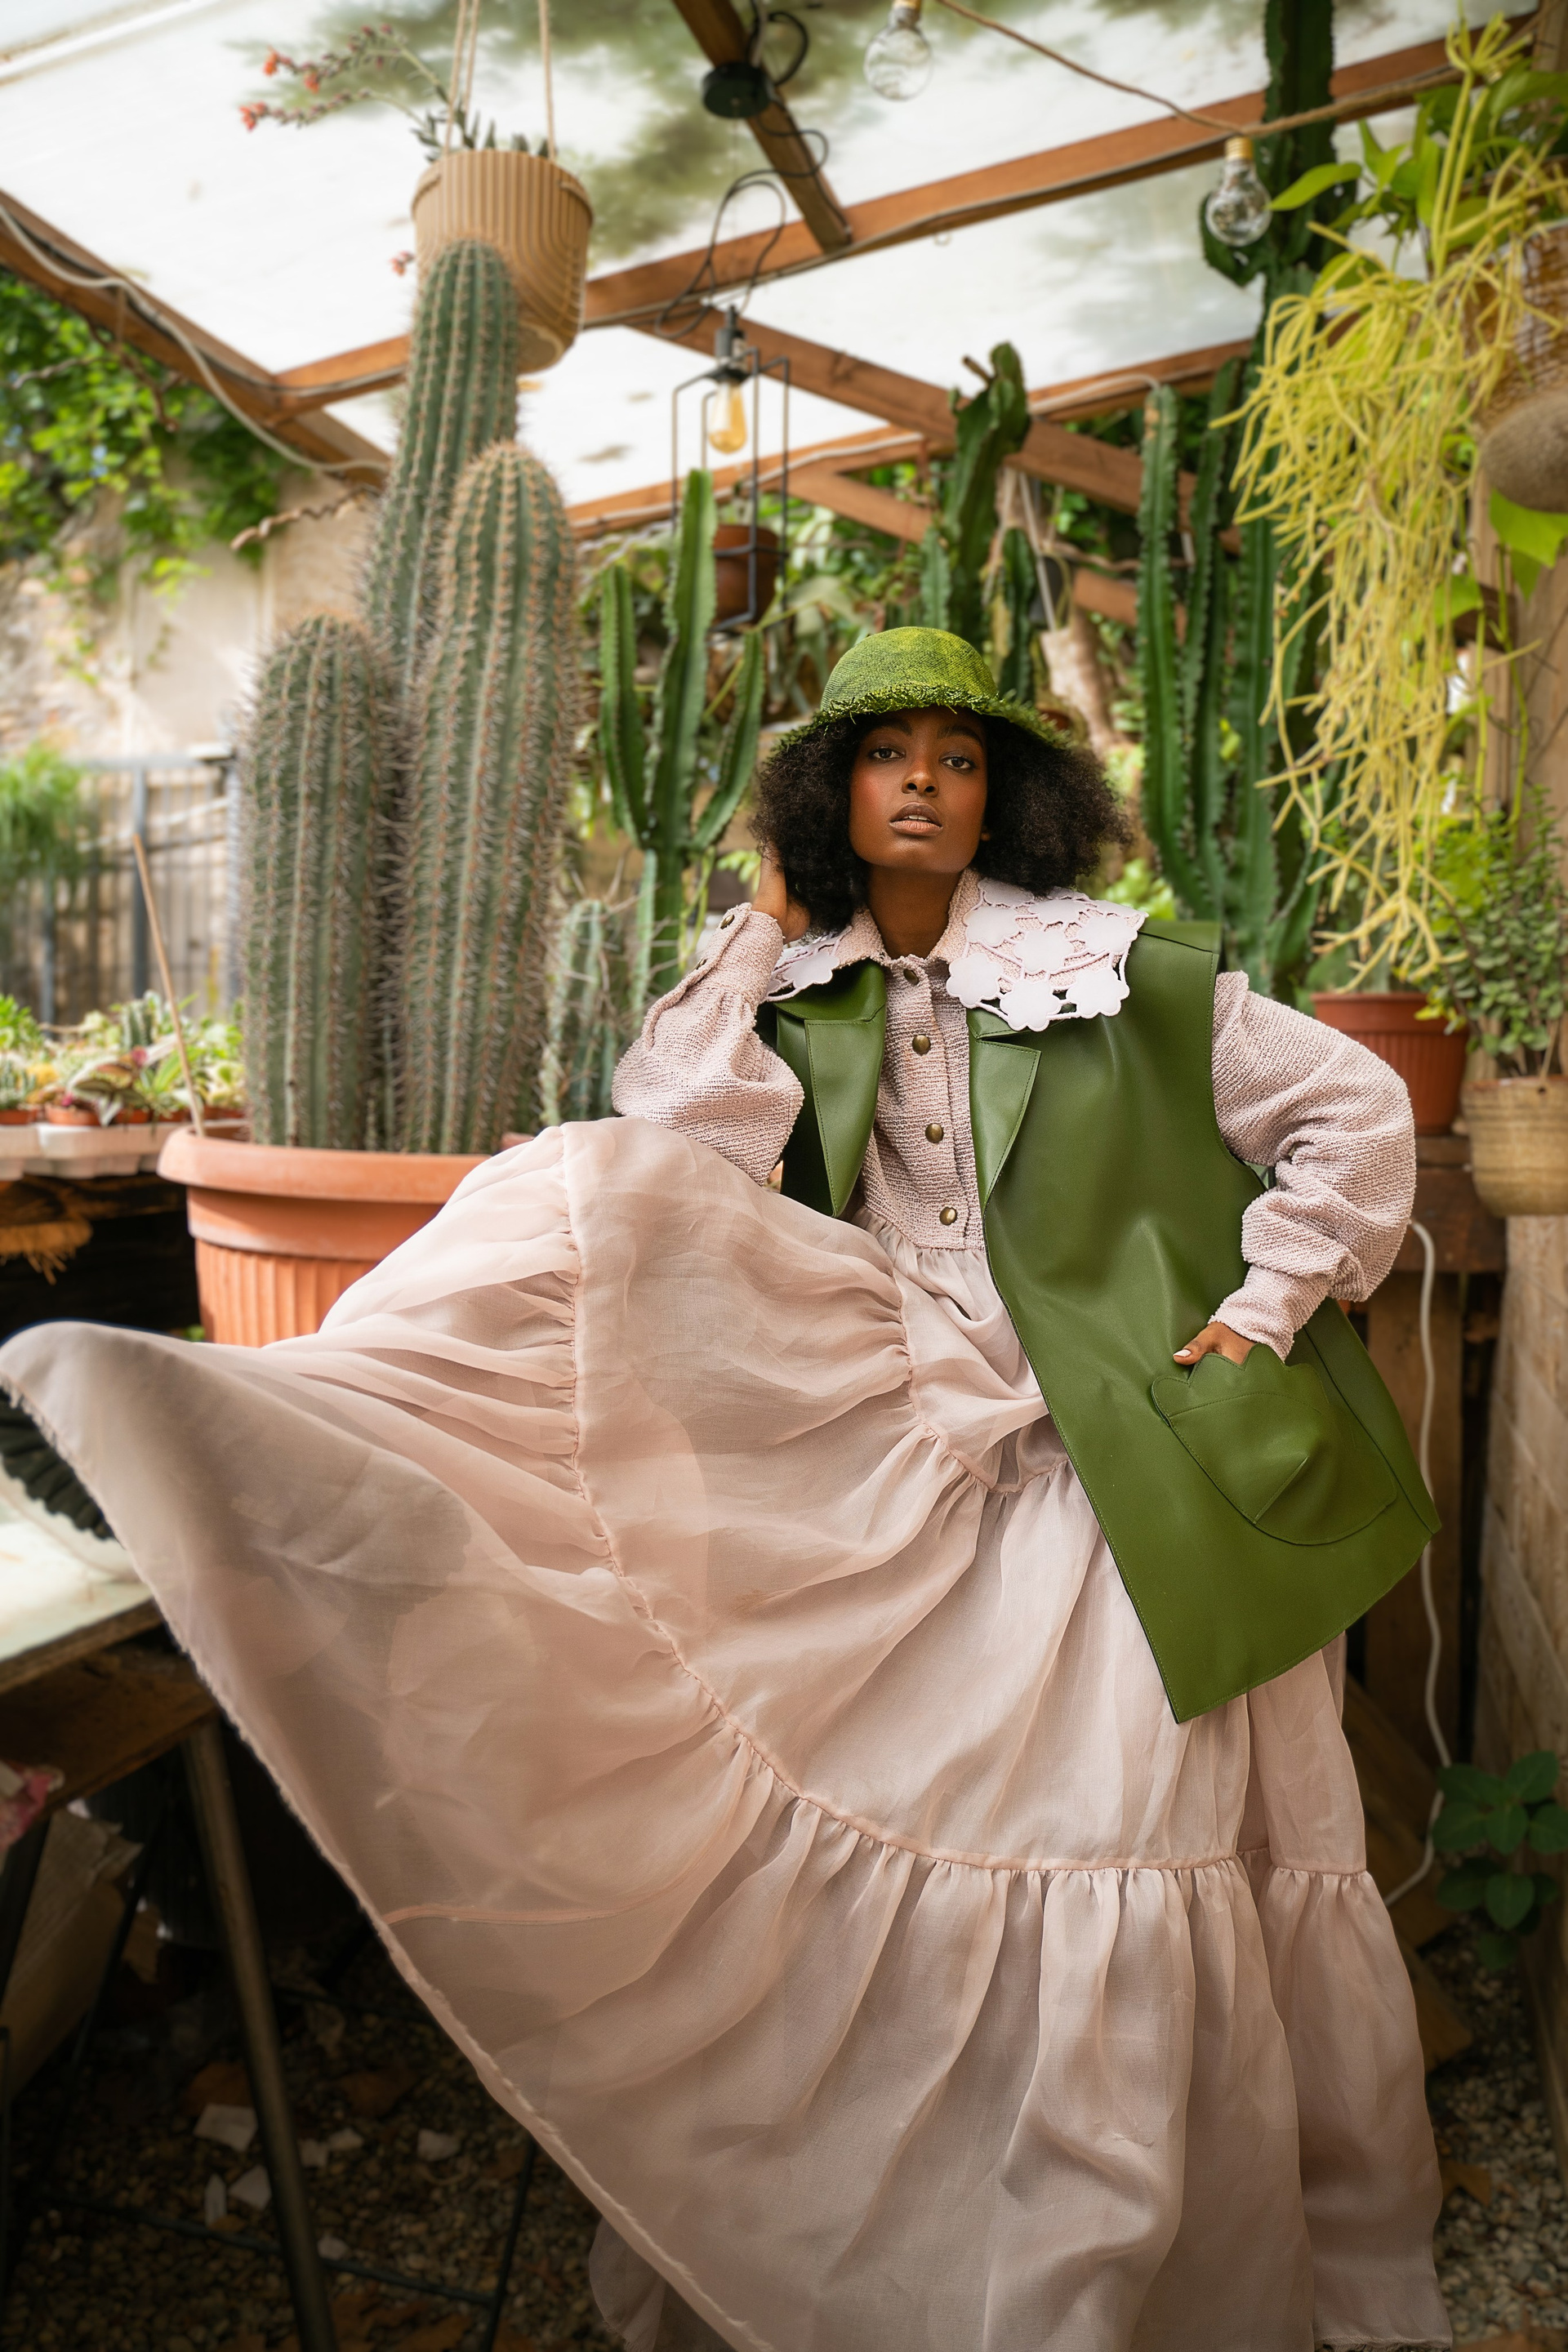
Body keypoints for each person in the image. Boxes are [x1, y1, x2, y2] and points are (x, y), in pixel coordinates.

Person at [0, 628, 1449, 2352]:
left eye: (960, 756)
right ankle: (301, 1413)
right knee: (584, 1183)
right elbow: (690, 1155)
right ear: (829, 789)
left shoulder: (1110, 968)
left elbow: (1356, 1112)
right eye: (885, 753)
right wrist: (763, 918)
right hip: (879, 1387)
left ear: (1010, 795)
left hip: (1108, 1430)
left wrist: (1263, 1306)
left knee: (1106, 1820)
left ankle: (1081, 2257)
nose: (924, 783)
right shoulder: (789, 984)